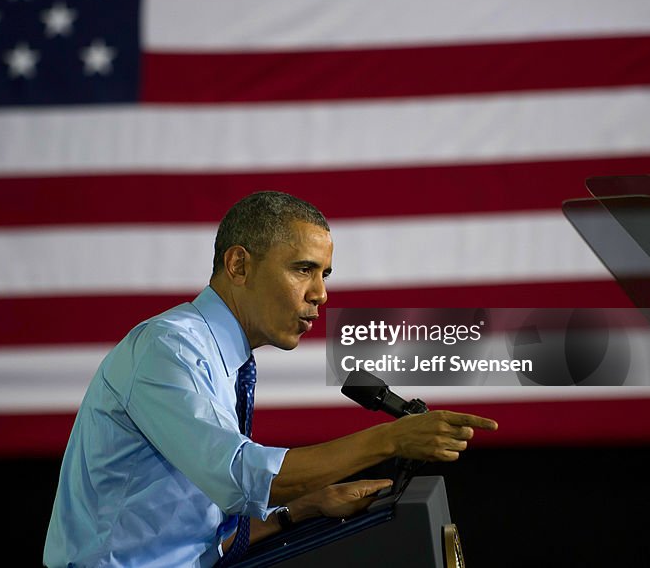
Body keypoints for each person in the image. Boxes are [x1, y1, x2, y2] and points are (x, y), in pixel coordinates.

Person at [43, 191, 497, 567]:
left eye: (324, 274)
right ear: (239, 265)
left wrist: (304, 507)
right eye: (303, 269)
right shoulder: (170, 348)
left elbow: (190, 538)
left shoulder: (225, 360)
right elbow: (243, 477)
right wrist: (391, 440)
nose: (320, 294)